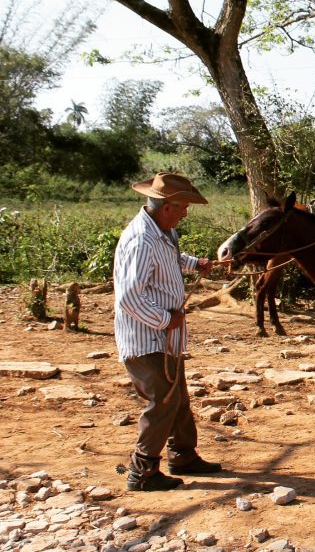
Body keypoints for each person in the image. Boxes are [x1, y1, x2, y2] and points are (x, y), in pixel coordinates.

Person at [113, 172, 221, 491]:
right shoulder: (141, 239)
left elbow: (169, 259)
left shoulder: (161, 230)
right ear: (166, 207)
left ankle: (183, 455)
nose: (187, 212)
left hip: (164, 338)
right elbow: (130, 296)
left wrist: (193, 263)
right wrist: (164, 318)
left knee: (177, 397)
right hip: (147, 339)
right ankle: (142, 471)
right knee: (162, 401)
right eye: (184, 206)